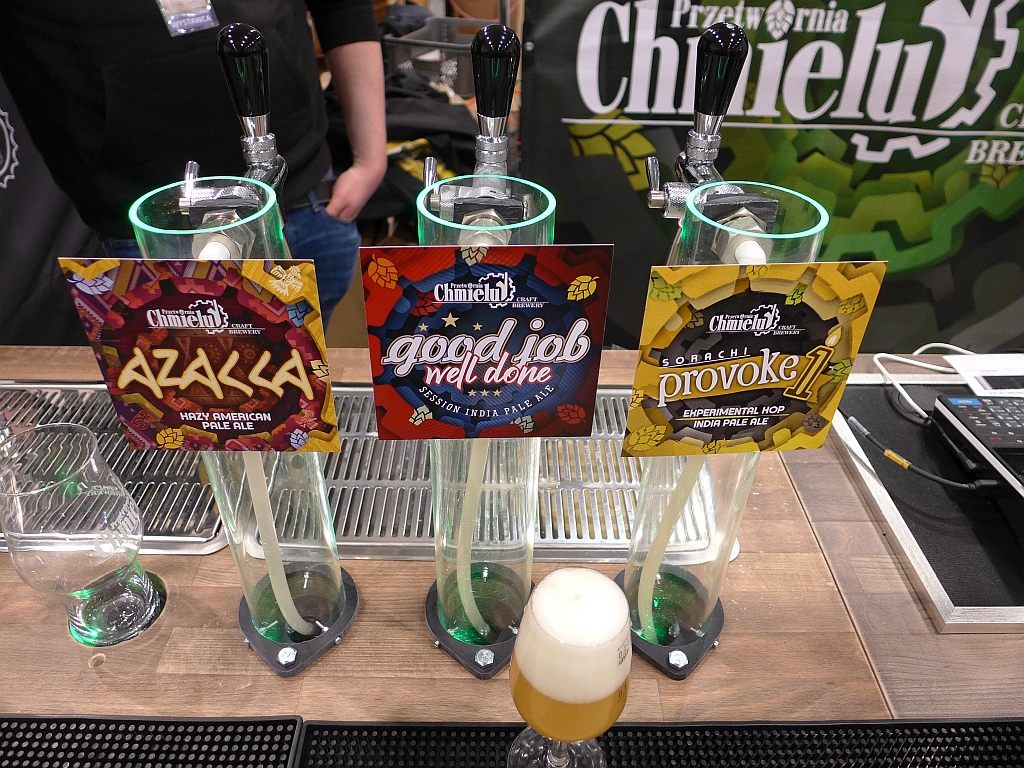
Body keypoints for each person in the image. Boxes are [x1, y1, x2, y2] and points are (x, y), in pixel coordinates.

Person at [0, 0, 387, 328]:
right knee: (193, 384)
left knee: (304, 375)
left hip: (308, 199)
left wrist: (370, 159)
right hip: (148, 234)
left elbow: (342, 8)